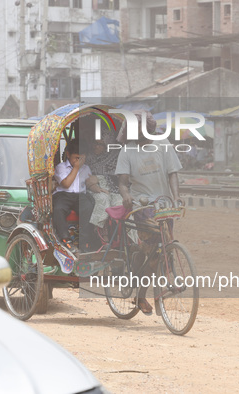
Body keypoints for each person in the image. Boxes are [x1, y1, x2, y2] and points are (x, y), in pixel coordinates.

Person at [115, 110, 182, 315]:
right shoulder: (127, 151)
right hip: (142, 205)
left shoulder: (163, 145)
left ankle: (154, 289)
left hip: (163, 203)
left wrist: (176, 196)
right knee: (154, 248)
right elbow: (122, 183)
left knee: (165, 246)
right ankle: (143, 294)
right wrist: (126, 195)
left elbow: (173, 174)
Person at [52, 140, 96, 254]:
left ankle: (84, 240)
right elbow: (66, 184)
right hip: (63, 195)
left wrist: (96, 185)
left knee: (88, 206)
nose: (78, 161)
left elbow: (90, 184)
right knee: (58, 209)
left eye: (81, 158)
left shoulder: (86, 168)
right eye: (76, 157)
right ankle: (66, 240)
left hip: (80, 196)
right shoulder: (61, 167)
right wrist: (76, 168)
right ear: (68, 154)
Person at [85, 131, 122, 229]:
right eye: (95, 143)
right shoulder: (88, 158)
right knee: (103, 199)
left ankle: (127, 238)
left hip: (114, 190)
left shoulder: (116, 157)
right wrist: (94, 186)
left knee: (120, 203)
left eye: (100, 144)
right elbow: (84, 178)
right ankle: (99, 232)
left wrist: (99, 178)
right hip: (92, 190)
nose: (96, 146)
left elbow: (119, 178)